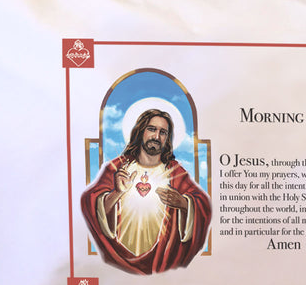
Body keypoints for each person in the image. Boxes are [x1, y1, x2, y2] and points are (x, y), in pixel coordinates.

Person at [80, 108, 211, 275]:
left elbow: (203, 205)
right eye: (151, 129)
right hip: (118, 262)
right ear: (140, 131)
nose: (156, 136)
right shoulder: (117, 168)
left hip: (163, 260)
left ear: (167, 139)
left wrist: (184, 204)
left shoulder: (176, 173)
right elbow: (90, 205)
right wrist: (116, 193)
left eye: (163, 132)